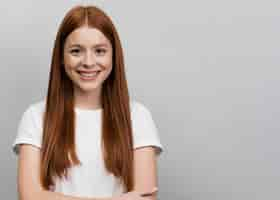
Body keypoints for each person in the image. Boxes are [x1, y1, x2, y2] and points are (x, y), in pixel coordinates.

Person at [12, 4, 164, 200]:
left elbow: (145, 198)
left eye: (99, 51)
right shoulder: (35, 117)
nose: (89, 62)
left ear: (114, 56)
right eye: (76, 51)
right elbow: (30, 197)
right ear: (61, 57)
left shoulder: (138, 117)